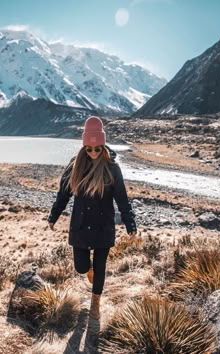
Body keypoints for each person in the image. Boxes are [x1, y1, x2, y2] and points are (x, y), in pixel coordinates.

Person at [48, 116, 137, 320]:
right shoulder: (75, 167)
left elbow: (122, 199)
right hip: (80, 225)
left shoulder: (112, 169)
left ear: (103, 146)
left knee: (101, 266)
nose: (94, 153)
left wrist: (130, 223)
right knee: (80, 266)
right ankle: (87, 270)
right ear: (84, 147)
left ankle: (95, 301)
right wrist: (54, 216)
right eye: (89, 149)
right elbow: (63, 195)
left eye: (97, 149)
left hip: (103, 226)